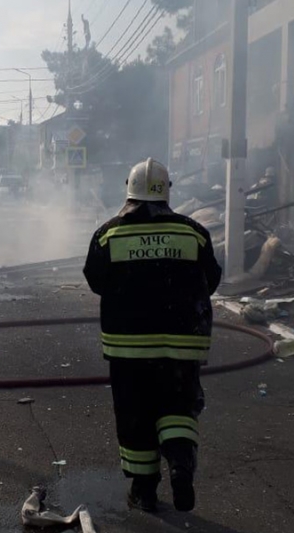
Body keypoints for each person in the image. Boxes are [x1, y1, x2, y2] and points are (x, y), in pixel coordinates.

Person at [83, 158, 221, 513]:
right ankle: (180, 467)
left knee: (136, 414)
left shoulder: (109, 234)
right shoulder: (193, 232)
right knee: (178, 406)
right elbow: (212, 279)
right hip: (183, 344)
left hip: (128, 348)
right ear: (167, 190)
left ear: (129, 190)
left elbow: (96, 280)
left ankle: (144, 491)